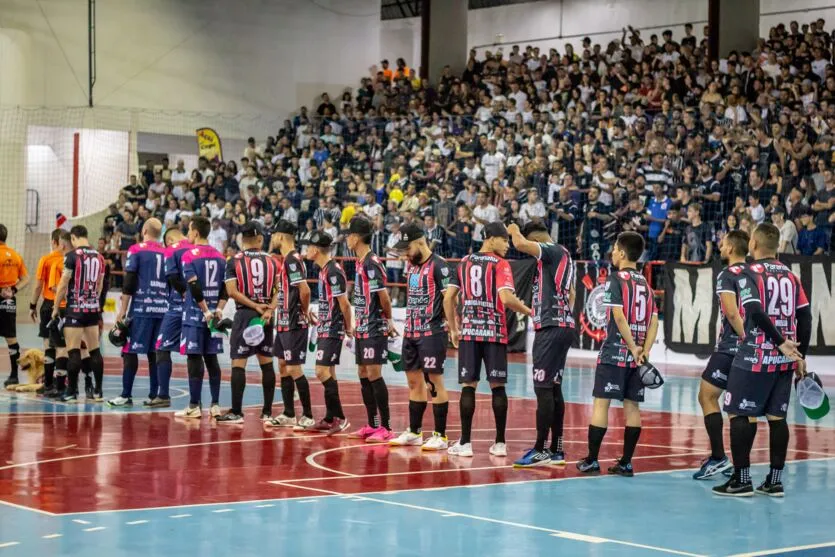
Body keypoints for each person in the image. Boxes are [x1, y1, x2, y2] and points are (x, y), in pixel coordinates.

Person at [714, 223, 811, 497]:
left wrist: (779, 343)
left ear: (753, 245)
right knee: (777, 417)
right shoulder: (791, 277)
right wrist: (799, 354)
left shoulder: (749, 273)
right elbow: (805, 317)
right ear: (777, 246)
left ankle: (742, 478)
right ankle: (774, 480)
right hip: (785, 362)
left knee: (738, 413)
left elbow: (754, 311)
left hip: (756, 355)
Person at [443, 222, 532, 457]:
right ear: (491, 239)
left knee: (468, 386)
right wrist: (530, 311)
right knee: (498, 386)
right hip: (495, 333)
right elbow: (506, 298)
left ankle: (465, 443)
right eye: (505, 240)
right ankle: (500, 443)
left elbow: (448, 298)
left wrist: (454, 329)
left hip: (470, 333)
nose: (507, 245)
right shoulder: (501, 264)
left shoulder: (464, 262)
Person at [577, 231, 659, 476]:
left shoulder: (615, 280)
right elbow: (654, 321)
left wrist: (632, 345)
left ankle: (592, 459)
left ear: (622, 253)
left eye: (614, 248)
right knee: (632, 406)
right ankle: (626, 462)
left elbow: (618, 316)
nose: (612, 252)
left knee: (601, 403)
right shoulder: (646, 284)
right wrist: (644, 351)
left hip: (616, 352)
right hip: (638, 358)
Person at [507, 222, 576, 467]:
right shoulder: (560, 257)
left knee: (543, 388)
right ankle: (556, 449)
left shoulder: (551, 249)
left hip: (551, 327)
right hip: (560, 324)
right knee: (554, 388)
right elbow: (572, 294)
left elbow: (520, 243)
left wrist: (513, 229)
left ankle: (540, 449)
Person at [388, 224, 453, 450]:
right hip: (411, 332)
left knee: (433, 382)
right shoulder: (412, 266)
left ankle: (441, 435)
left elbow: (450, 298)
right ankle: (415, 432)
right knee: (413, 382)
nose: (405, 253)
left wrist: (453, 326)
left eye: (407, 248)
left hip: (432, 333)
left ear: (420, 242)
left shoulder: (439, 266)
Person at [693, 230, 749, 480]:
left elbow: (732, 312)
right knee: (741, 408)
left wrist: (744, 338)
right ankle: (740, 467)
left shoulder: (727, 274)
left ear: (732, 248)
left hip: (732, 345)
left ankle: (718, 457)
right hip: (756, 349)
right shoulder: (757, 273)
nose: (720, 245)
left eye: (724, 243)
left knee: (707, 395)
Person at [216, 222, 279, 424]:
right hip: (266, 316)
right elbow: (280, 290)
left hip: (245, 314)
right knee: (266, 362)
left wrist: (253, 305)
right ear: (260, 239)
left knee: (238, 362)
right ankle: (267, 411)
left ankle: (236, 411)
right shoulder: (273, 261)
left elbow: (232, 291)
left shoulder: (234, 261)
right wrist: (268, 309)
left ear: (242, 240)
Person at [345, 217, 396, 443]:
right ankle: (372, 423)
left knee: (374, 374)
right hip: (363, 325)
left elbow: (383, 296)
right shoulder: (360, 262)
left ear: (356, 238)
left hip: (374, 325)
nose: (346, 238)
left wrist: (389, 319)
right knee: (363, 373)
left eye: (348, 235)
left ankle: (386, 426)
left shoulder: (371, 263)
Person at [173, 216, 229, 420]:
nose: (188, 234)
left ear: (195, 232)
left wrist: (204, 310)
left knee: (194, 358)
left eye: (189, 230)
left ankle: (194, 405)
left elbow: (194, 285)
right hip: (214, 315)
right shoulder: (220, 257)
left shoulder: (188, 255)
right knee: (212, 358)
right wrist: (219, 309)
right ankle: (215, 405)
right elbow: (226, 287)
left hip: (196, 315)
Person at [108, 218, 168, 407]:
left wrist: (122, 311)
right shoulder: (167, 252)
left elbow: (129, 282)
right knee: (154, 353)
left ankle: (126, 395)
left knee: (129, 350)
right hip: (162, 309)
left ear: (144, 230)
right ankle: (154, 395)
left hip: (142, 308)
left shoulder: (136, 249)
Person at [267, 221, 316, 430]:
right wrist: (272, 309)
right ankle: (288, 413)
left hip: (294, 321)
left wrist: (303, 312)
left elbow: (304, 290)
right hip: (284, 321)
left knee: (294, 367)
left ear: (280, 236)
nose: (272, 239)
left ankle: (308, 415)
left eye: (274, 235)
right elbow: (285, 292)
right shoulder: (287, 260)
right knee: (283, 366)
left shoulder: (292, 260)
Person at [304, 231, 351, 434]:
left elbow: (345, 304)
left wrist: (348, 328)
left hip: (333, 327)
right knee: (328, 372)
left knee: (321, 371)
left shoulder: (333, 271)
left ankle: (340, 417)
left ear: (315, 249)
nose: (306, 251)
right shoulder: (323, 270)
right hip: (325, 325)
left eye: (308, 247)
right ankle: (330, 417)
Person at [51, 226, 105, 402]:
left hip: (75, 309)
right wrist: (93, 302)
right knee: (94, 350)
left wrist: (55, 307)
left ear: (73, 238)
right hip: (92, 308)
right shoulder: (100, 257)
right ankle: (97, 391)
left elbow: (63, 283)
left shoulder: (71, 256)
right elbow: (100, 286)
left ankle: (72, 392)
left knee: (73, 351)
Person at [152, 227, 193, 408]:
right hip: (199, 307)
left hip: (177, 307)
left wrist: (183, 293)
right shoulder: (196, 248)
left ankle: (163, 395)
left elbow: (171, 276)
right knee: (198, 353)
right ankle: (198, 402)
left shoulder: (171, 249)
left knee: (162, 348)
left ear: (169, 240)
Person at [28, 229, 65, 395]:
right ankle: (61, 383)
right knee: (63, 347)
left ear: (54, 242)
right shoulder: (69, 259)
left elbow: (38, 285)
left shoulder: (46, 259)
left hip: (50, 304)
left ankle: (49, 384)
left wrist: (32, 305)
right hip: (67, 306)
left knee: (48, 345)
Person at [0, 224, 28, 389]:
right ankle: (14, 375)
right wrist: (13, 289)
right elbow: (26, 278)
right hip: (9, 300)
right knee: (11, 338)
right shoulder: (15, 255)